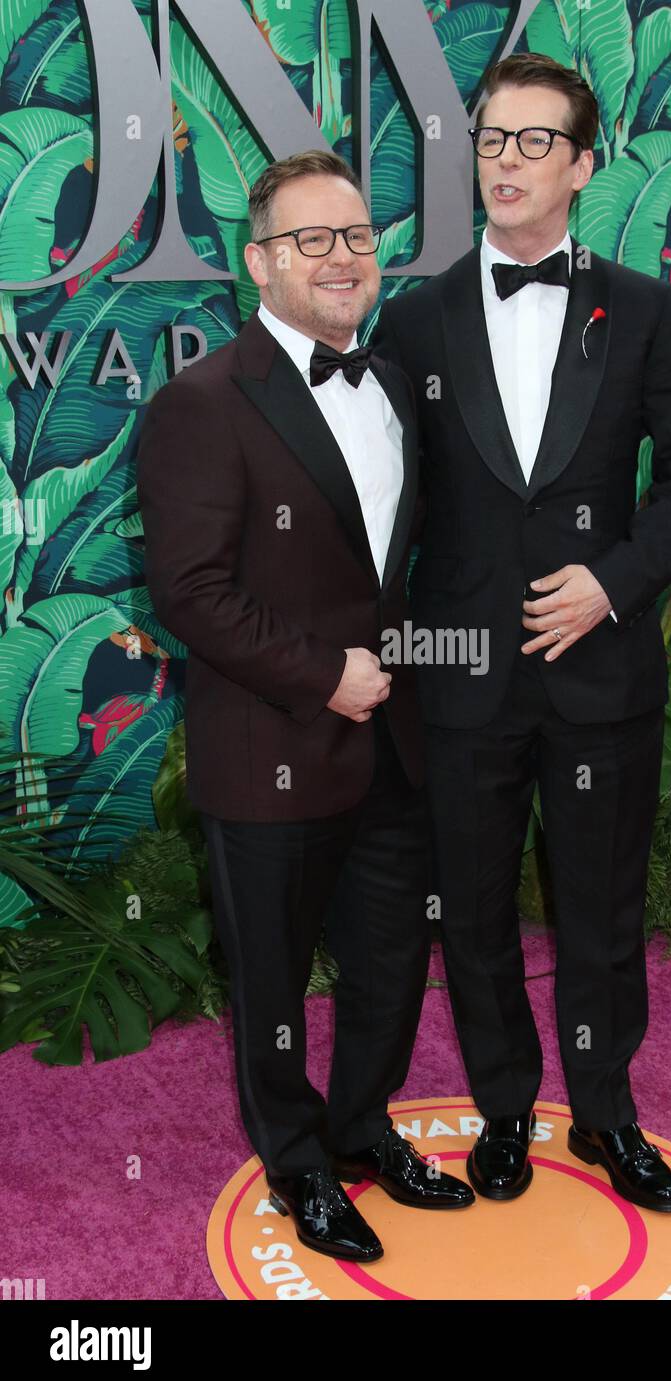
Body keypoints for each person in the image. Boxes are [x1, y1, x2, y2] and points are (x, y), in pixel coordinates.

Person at [371, 54, 671, 1211]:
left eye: (534, 142)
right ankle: (506, 1110)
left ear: (580, 165)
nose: (507, 161)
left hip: (601, 670)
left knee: (599, 907)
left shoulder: (640, 308)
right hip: (461, 678)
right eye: (491, 140)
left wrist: (612, 583)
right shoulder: (417, 316)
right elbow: (383, 492)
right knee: (469, 909)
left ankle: (607, 1112)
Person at [137, 150, 474, 1264]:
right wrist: (324, 674)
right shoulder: (202, 403)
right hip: (269, 743)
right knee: (274, 979)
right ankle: (297, 1163)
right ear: (256, 263)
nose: (341, 258)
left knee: (389, 961)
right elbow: (190, 591)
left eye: (357, 236)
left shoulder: (389, 387)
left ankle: (362, 1124)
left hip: (392, 745)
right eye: (310, 239)